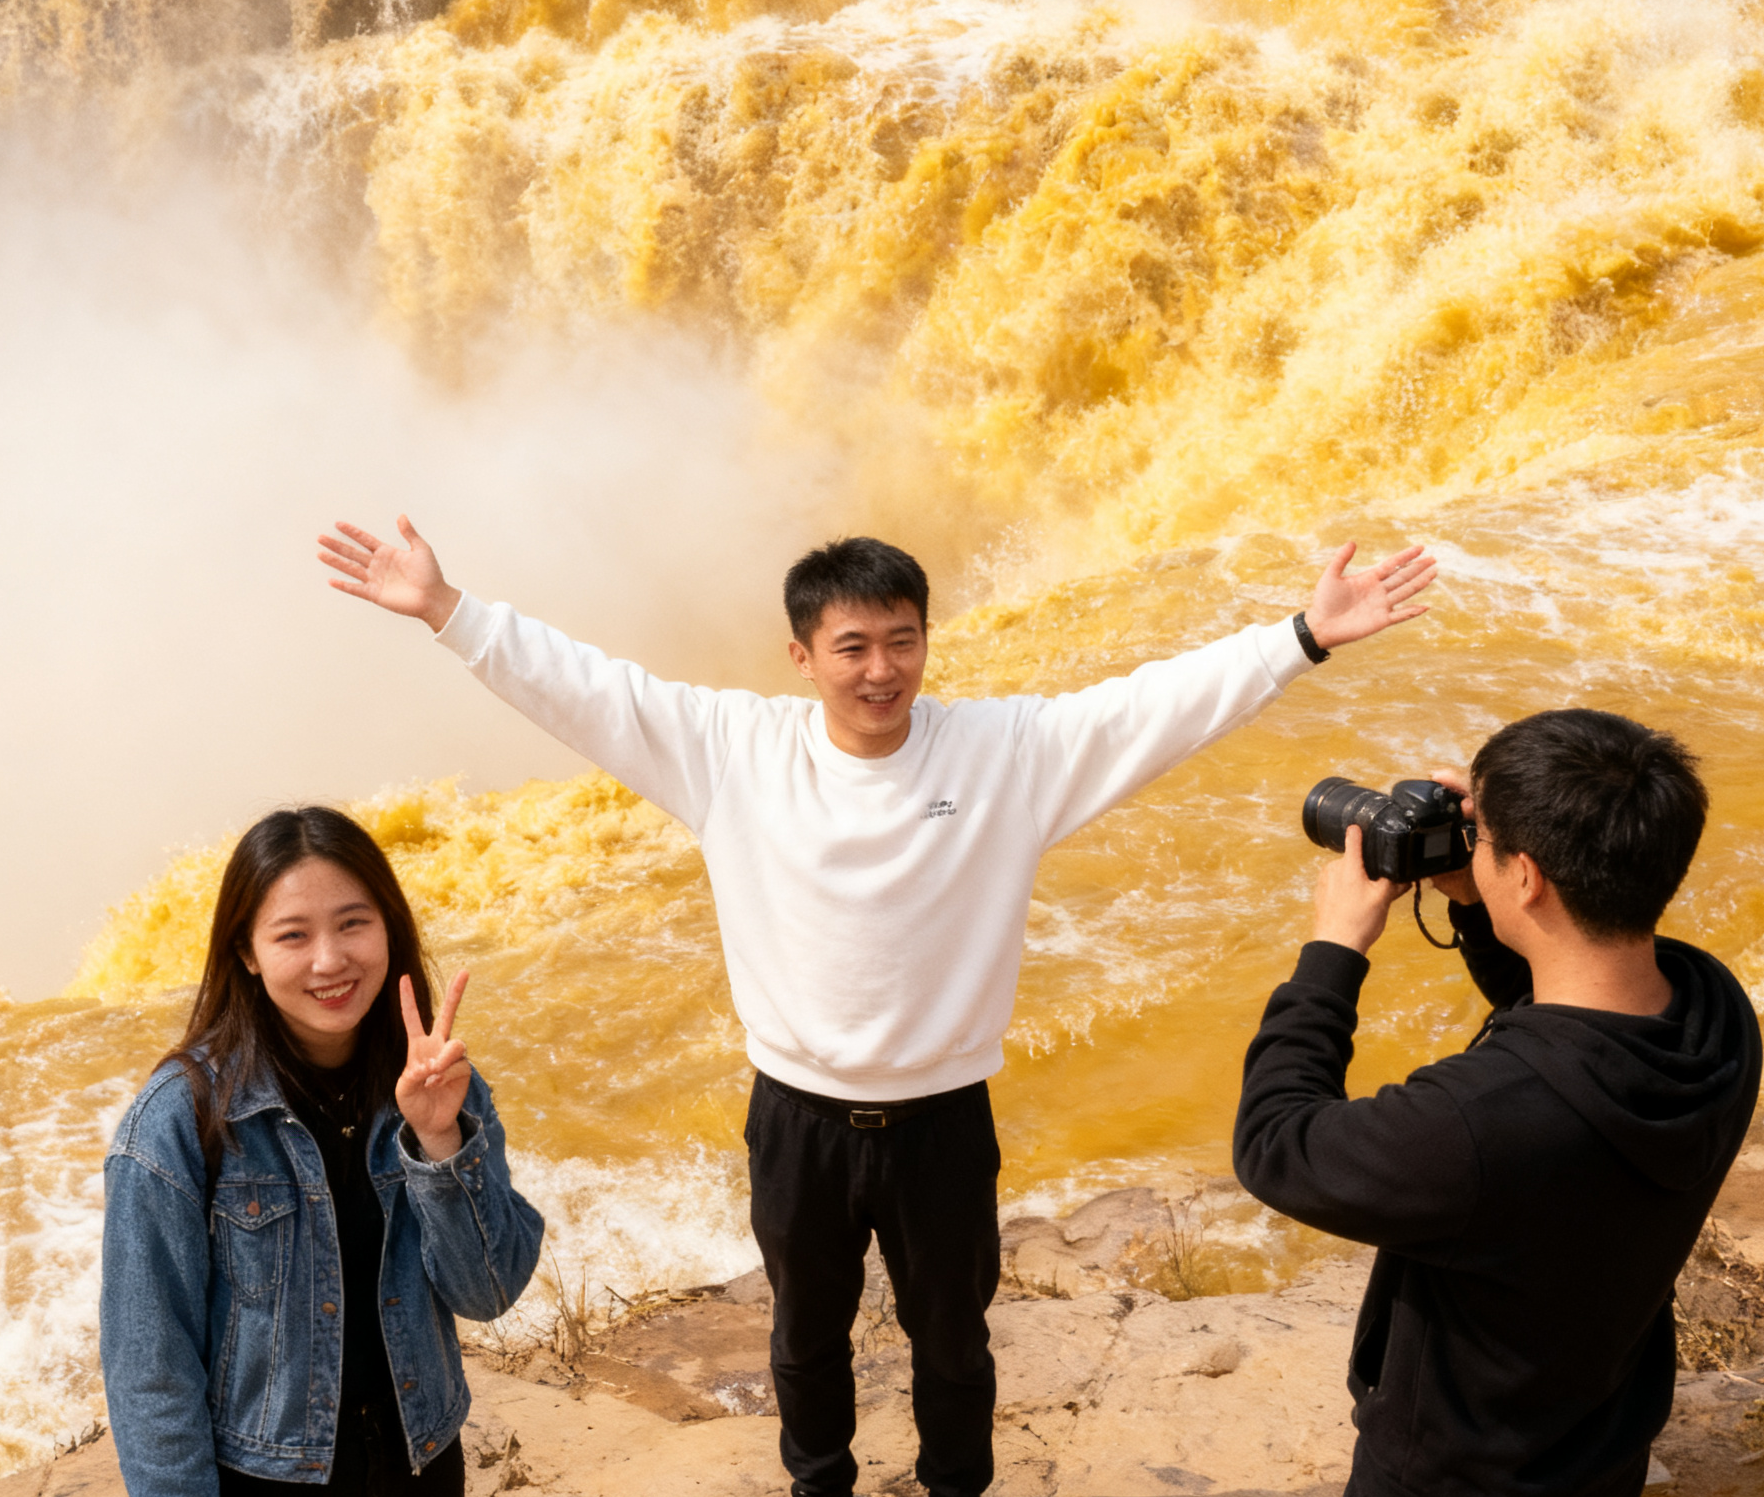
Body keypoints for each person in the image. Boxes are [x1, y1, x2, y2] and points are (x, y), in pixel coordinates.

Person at [317, 515, 1437, 1497]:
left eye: (903, 640)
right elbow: (585, 687)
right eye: (852, 645)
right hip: (796, 1116)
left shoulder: (1005, 754)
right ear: (802, 656)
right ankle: (821, 1486)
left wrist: (1300, 636)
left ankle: (957, 1489)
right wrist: (447, 611)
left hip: (945, 1119)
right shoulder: (730, 752)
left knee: (954, 1341)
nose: (881, 669)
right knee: (805, 1341)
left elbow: (1153, 707)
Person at [1233, 709, 1762, 1497]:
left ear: (1528, 877)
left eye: (1483, 839)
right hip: (1598, 1441)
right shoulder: (1714, 1015)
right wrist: (1479, 900)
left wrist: (1332, 951)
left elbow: (1277, 1144)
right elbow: (1574, 1008)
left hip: (1452, 1474)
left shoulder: (1476, 1124)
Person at [101, 806, 544, 1497]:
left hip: (420, 1465)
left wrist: (438, 1142)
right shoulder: (179, 1121)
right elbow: (149, 1368)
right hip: (263, 1478)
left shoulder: (439, 1084)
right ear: (246, 952)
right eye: (292, 935)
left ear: (389, 927)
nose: (330, 961)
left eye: (352, 923)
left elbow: (487, 1294)